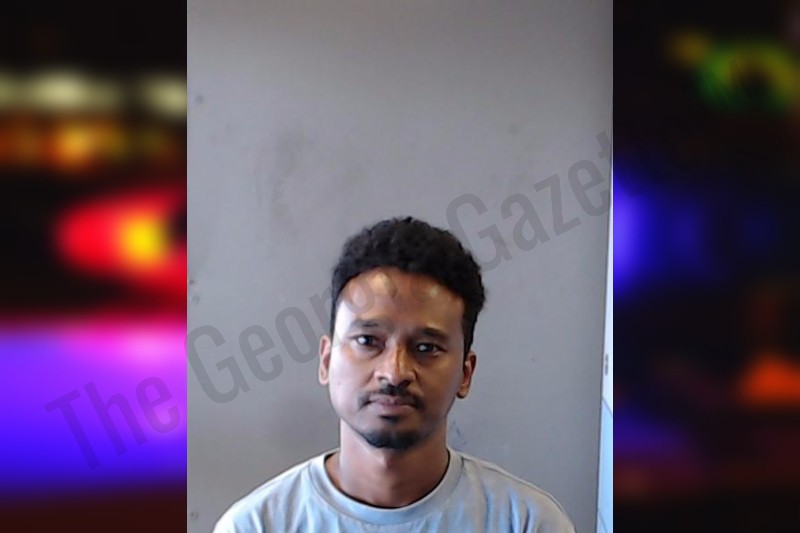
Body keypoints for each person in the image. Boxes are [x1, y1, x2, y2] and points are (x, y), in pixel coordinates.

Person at [214, 217, 575, 532]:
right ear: (326, 360)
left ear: (465, 374)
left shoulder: (526, 523)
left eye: (426, 348)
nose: (394, 372)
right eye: (368, 341)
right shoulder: (256, 525)